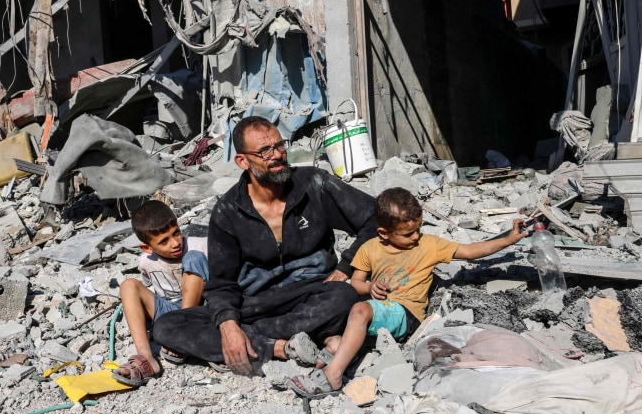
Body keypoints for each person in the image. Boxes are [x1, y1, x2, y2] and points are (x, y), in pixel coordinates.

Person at [153, 116, 378, 375]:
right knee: (166, 326)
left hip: (313, 293)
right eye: (264, 151)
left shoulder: (314, 185)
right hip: (255, 304)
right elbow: (222, 284)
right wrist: (228, 325)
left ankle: (251, 345)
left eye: (280, 146)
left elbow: (374, 217)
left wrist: (346, 266)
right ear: (242, 161)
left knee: (344, 296)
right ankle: (282, 347)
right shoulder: (228, 212)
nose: (278, 155)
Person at [288, 187, 528, 398]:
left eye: (418, 229)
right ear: (383, 233)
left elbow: (472, 250)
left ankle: (333, 375)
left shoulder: (430, 245)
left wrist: (508, 239)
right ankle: (333, 345)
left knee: (360, 310)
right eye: (407, 234)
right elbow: (356, 283)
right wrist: (370, 287)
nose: (415, 237)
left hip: (406, 314)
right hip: (378, 310)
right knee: (337, 299)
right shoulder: (369, 248)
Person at [113, 200, 208, 386]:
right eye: (164, 241)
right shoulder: (146, 262)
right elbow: (154, 291)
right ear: (147, 248)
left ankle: (183, 333)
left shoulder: (202, 245)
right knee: (128, 285)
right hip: (170, 313)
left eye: (176, 233)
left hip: (201, 308)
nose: (175, 243)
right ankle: (146, 357)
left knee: (193, 258)